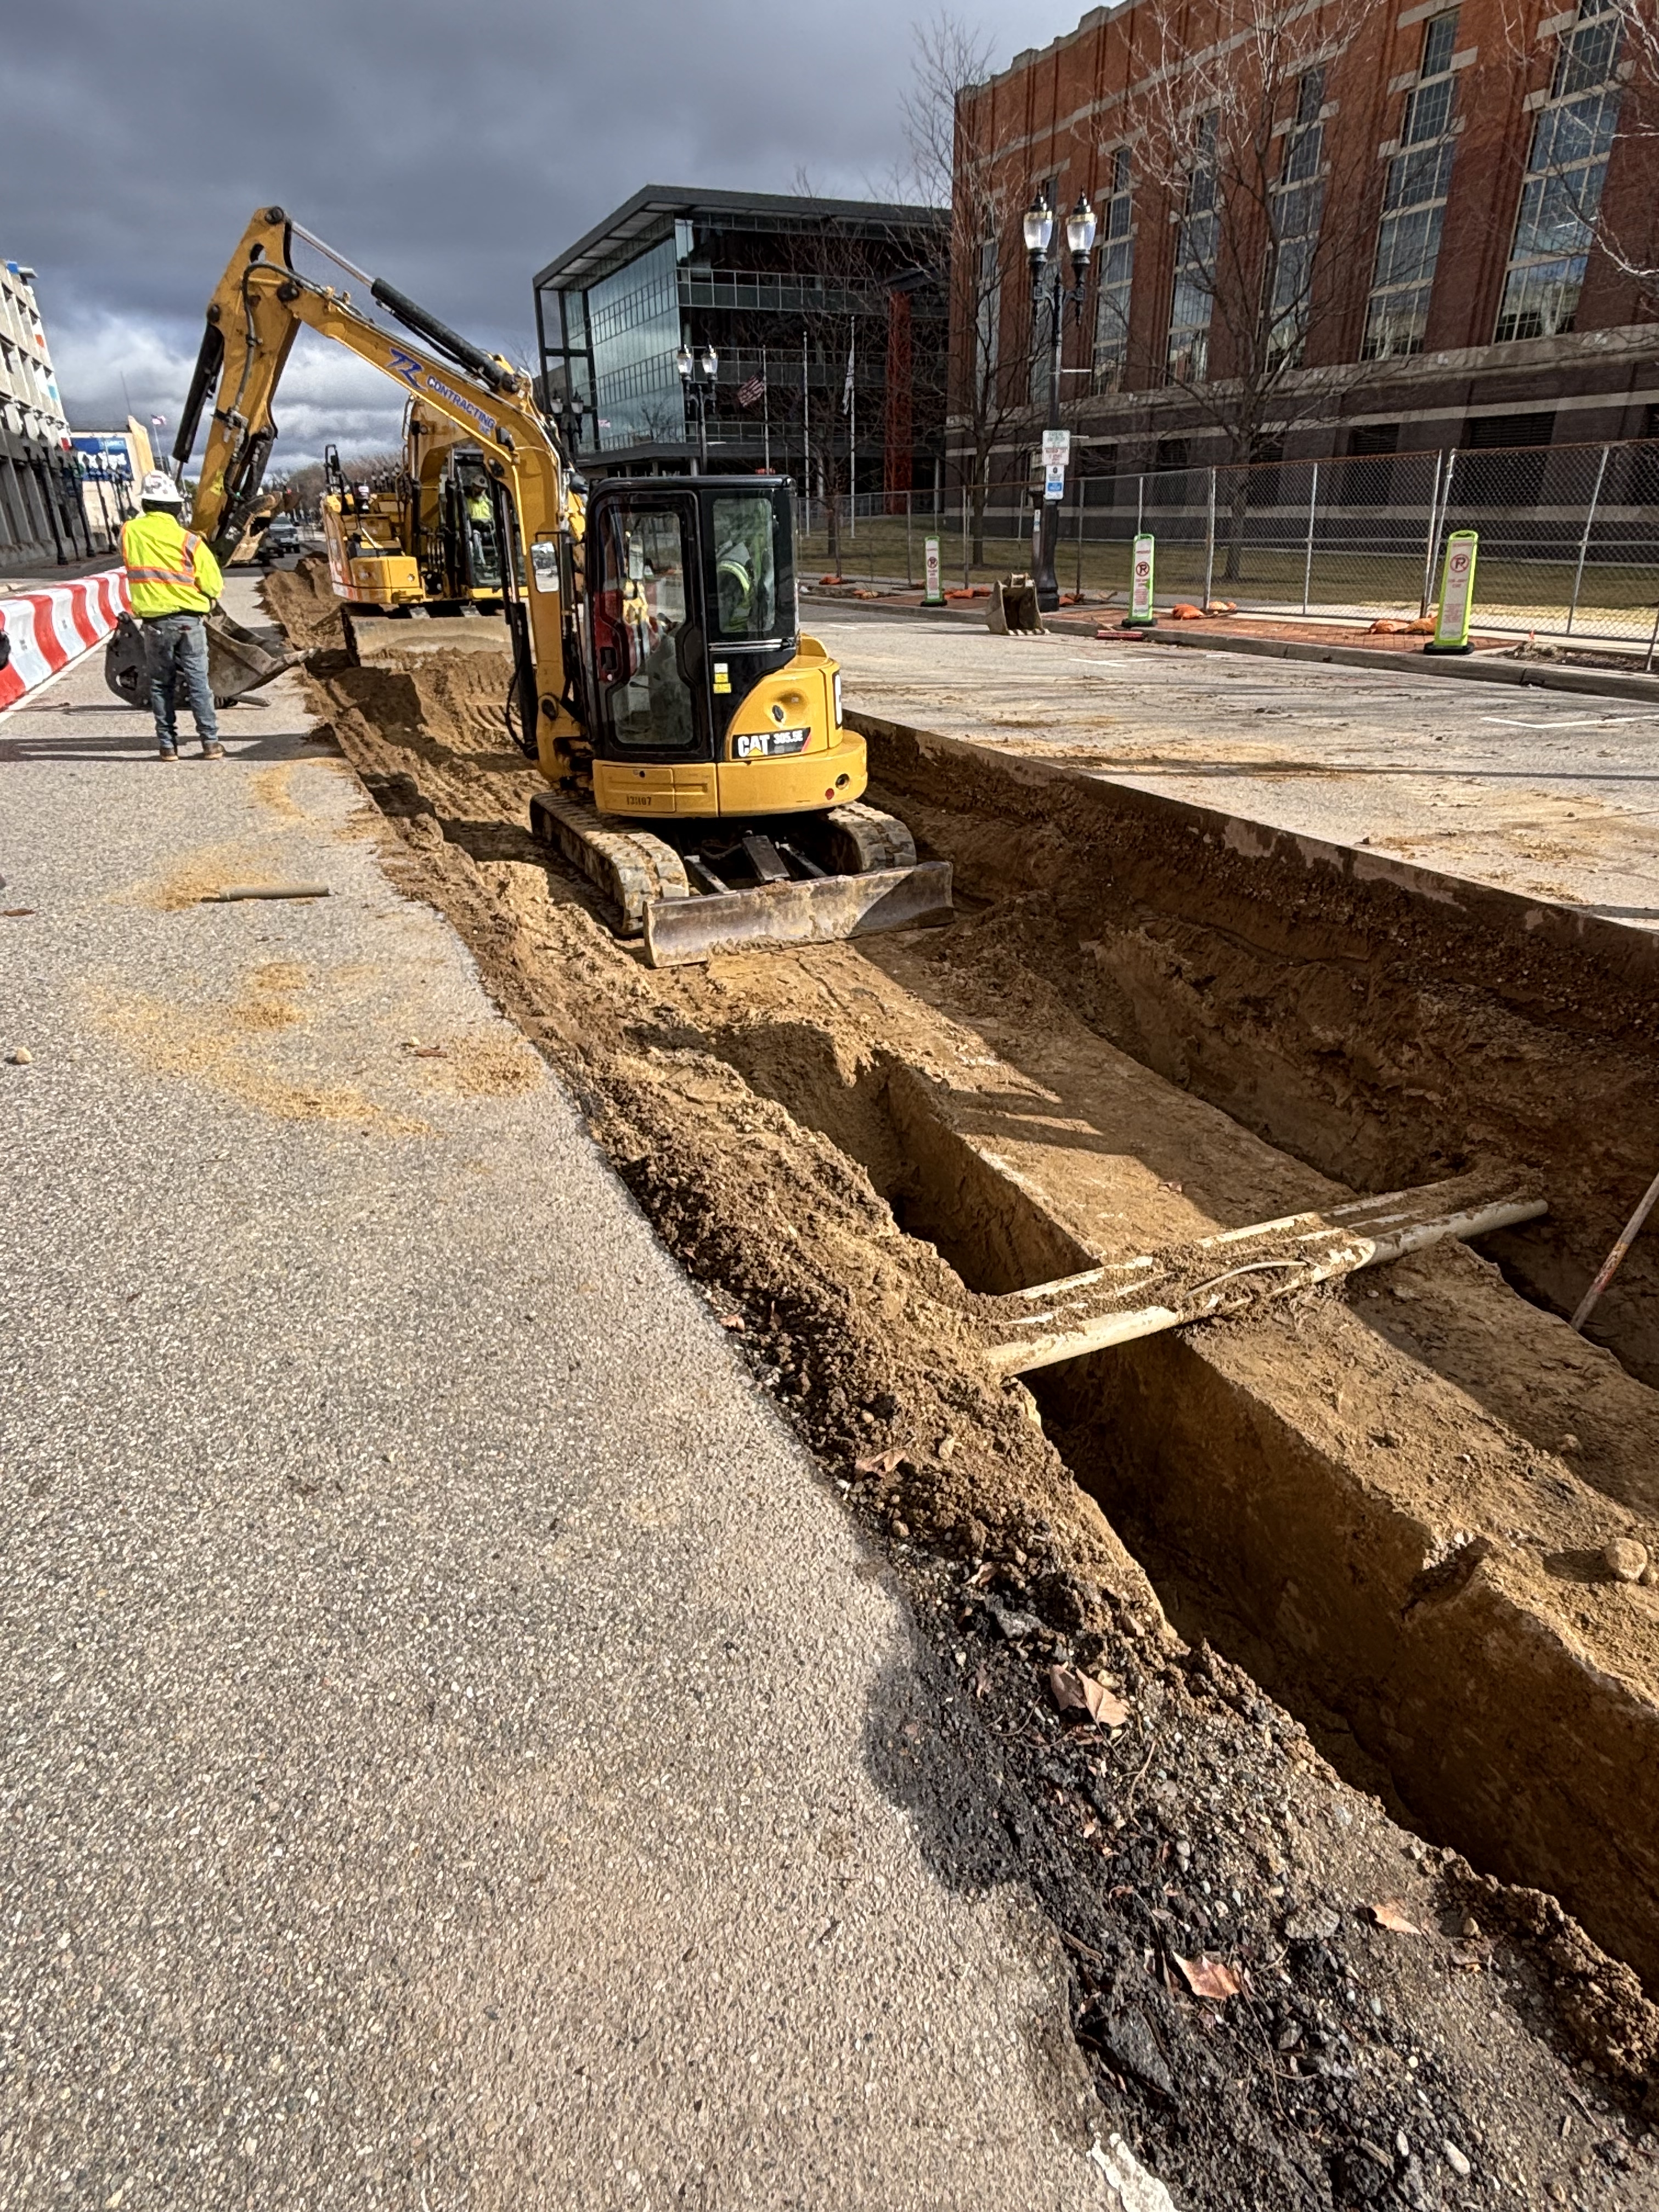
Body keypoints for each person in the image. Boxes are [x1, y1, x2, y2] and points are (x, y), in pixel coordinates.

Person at [121, 472, 225, 761]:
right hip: (189, 621)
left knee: (160, 684)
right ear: (176, 507)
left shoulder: (130, 532)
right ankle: (211, 743)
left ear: (146, 503)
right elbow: (213, 584)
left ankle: (168, 746)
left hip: (155, 624)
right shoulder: (189, 541)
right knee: (198, 683)